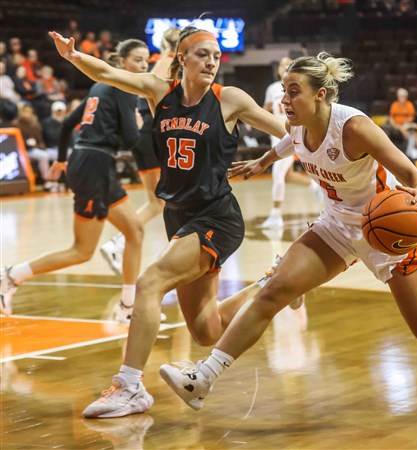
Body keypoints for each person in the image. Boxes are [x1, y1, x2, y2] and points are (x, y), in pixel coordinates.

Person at [159, 52, 417, 415]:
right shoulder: (296, 124)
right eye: (284, 92)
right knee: (272, 292)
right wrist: (262, 161)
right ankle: (203, 379)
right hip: (336, 225)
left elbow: (416, 175)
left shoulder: (353, 127)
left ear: (322, 95)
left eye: (293, 93)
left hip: (384, 231)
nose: (285, 101)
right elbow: (288, 142)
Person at [45, 26, 288, 418]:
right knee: (207, 330)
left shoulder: (230, 99)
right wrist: (74, 57)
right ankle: (274, 284)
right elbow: (108, 75)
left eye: (216, 55)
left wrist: (269, 159)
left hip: (217, 216)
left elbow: (290, 132)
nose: (211, 62)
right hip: (179, 214)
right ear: (182, 59)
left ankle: (129, 387)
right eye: (202, 54)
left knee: (150, 282)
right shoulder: (161, 92)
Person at [0, 39, 150, 319]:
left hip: (87, 160)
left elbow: (69, 123)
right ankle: (11, 276)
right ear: (122, 62)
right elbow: (131, 139)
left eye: (146, 61)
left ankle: (128, 306)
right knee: (83, 250)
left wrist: (61, 158)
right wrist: (142, 125)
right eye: (138, 60)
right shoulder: (124, 86)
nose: (144, 66)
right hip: (94, 164)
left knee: (133, 233)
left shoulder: (99, 85)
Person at [100, 27, 181, 275]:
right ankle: (175, 254)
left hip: (145, 133)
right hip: (151, 131)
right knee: (172, 197)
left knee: (157, 202)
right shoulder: (169, 62)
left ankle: (119, 242)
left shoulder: (160, 63)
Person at [261, 56, 321, 229]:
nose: (283, 66)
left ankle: (276, 214)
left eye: (287, 64)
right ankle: (313, 186)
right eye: (281, 64)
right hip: (275, 135)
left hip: (291, 134)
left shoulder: (299, 88)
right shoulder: (272, 88)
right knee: (285, 176)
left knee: (277, 175)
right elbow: (265, 110)